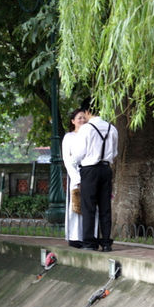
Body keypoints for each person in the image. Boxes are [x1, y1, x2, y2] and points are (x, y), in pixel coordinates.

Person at [71, 103, 118, 251]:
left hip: (90, 170)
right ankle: (105, 242)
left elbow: (78, 154)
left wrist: (75, 161)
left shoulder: (86, 129)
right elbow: (114, 152)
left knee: (88, 207)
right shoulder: (112, 128)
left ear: (87, 111)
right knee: (105, 206)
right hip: (106, 169)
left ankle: (90, 243)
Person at [61, 108, 92, 247]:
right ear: (73, 121)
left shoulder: (91, 135)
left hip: (90, 174)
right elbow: (67, 159)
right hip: (76, 174)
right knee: (76, 206)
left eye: (84, 117)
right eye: (79, 118)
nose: (82, 120)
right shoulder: (69, 137)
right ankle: (74, 237)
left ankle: (89, 236)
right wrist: (76, 178)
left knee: (90, 206)